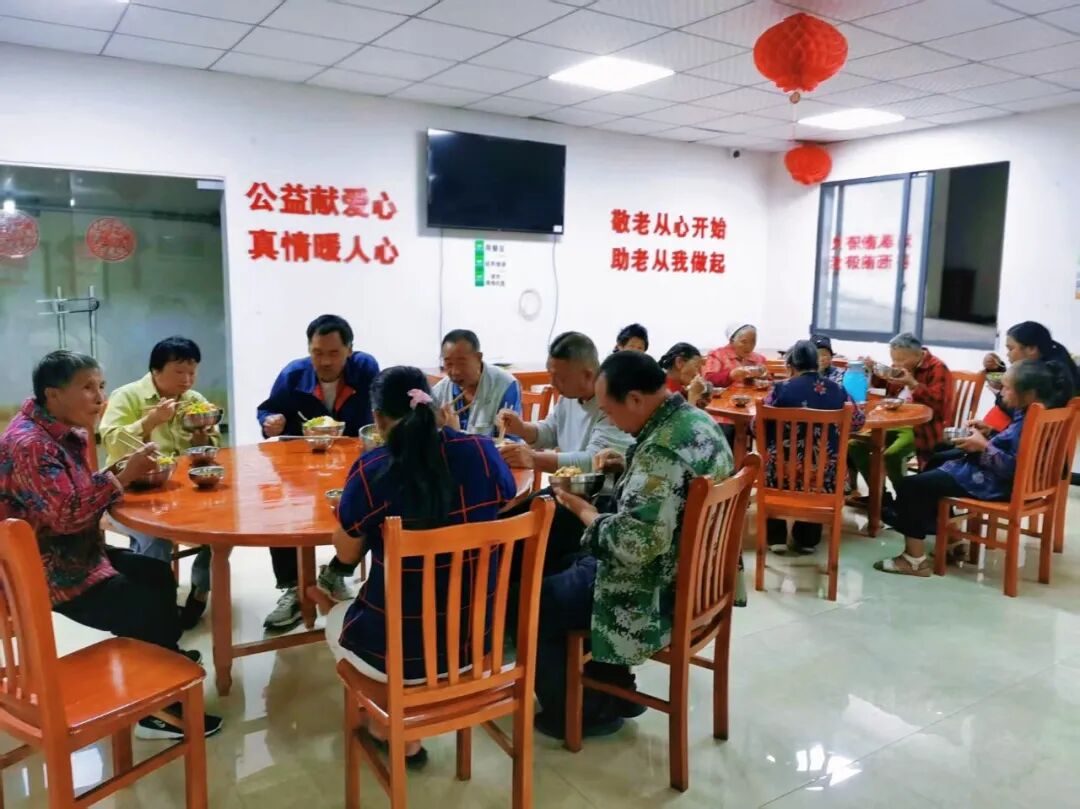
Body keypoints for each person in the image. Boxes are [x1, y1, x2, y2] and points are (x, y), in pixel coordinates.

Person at [0, 351, 222, 741]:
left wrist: (118, 470)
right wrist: (121, 477)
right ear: (53, 394)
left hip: (76, 551)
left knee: (155, 573)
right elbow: (67, 515)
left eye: (101, 386)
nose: (100, 397)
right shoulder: (31, 444)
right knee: (139, 602)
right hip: (46, 571)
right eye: (88, 388)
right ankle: (156, 712)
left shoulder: (59, 429)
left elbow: (73, 495)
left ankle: (160, 660)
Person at [531, 350, 733, 738]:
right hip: (699, 581)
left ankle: (582, 713)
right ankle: (613, 687)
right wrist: (626, 470)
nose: (609, 420)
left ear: (636, 399)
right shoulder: (694, 421)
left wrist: (582, 508)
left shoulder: (660, 449)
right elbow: (674, 492)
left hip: (657, 591)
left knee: (542, 597)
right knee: (572, 563)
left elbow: (634, 544)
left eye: (609, 411)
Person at [324, 367, 518, 767]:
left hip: (401, 660)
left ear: (378, 420)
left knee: (337, 613)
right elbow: (506, 497)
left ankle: (393, 729)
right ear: (436, 407)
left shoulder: (373, 469)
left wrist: (341, 519)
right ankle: (407, 721)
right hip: (477, 645)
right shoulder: (482, 451)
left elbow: (346, 555)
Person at [875, 360, 1074, 577]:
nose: (1001, 393)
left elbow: (1014, 467)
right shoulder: (1039, 412)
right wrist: (990, 432)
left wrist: (984, 446)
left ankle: (913, 561)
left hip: (1000, 483)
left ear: (1029, 394)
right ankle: (951, 539)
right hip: (1007, 479)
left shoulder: (1029, 421)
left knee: (912, 486)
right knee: (937, 459)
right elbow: (1018, 447)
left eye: (1007, 388)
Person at [257, 314, 380, 630]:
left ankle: (337, 572)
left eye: (334, 353)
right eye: (317, 352)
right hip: (300, 463)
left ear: (350, 350)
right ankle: (293, 589)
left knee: (373, 502)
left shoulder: (365, 369)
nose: (325, 361)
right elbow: (268, 410)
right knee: (280, 509)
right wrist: (270, 422)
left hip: (352, 462)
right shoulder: (294, 374)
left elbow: (379, 413)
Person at [99, 336, 217, 630]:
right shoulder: (128, 396)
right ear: (155, 370)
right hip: (131, 493)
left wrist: (202, 438)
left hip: (182, 493)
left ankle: (200, 591)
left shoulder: (194, 400)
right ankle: (155, 607)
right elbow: (111, 441)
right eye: (179, 372)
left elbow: (211, 448)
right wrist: (151, 421)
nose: (187, 380)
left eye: (192, 372)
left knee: (222, 530)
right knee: (154, 537)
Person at [496, 332, 632, 569]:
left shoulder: (611, 402)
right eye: (550, 374)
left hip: (596, 497)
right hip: (566, 487)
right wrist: (521, 428)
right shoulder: (569, 396)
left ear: (588, 374)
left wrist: (533, 459)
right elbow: (549, 430)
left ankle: (521, 584)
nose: (552, 382)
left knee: (521, 539)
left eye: (558, 377)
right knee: (506, 522)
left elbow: (592, 462)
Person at [759, 341, 865, 554]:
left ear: (790, 366)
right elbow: (857, 422)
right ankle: (807, 539)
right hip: (823, 475)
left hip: (782, 473)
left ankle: (776, 537)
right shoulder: (838, 390)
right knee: (822, 462)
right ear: (817, 364)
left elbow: (757, 426)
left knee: (773, 461)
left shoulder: (780, 389)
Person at [848, 333, 950, 504]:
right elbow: (884, 383)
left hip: (921, 428)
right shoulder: (902, 366)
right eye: (893, 359)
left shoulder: (937, 368)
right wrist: (872, 369)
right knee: (855, 445)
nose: (896, 363)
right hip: (892, 422)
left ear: (918, 354)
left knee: (892, 455)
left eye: (901, 359)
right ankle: (881, 498)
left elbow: (939, 405)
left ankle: (905, 501)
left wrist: (912, 384)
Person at [982, 321, 1080, 430]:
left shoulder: (1047, 376)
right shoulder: (1054, 360)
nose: (1007, 354)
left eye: (1011, 349)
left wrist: (1000, 393)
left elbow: (1016, 407)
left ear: (1032, 349)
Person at [431, 329, 521, 435]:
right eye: (449, 364)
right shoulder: (439, 391)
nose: (455, 372)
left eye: (462, 363)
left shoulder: (505, 385)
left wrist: (456, 434)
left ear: (478, 358)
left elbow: (510, 440)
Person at [703, 323, 768, 388]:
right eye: (744, 342)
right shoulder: (717, 354)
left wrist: (763, 378)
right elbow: (709, 380)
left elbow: (768, 380)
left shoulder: (759, 358)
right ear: (732, 341)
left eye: (753, 342)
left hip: (752, 394)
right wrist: (730, 375)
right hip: (726, 394)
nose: (749, 346)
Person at [657, 342, 711, 408]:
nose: (697, 373)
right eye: (696, 366)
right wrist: (693, 395)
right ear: (679, 362)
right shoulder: (664, 394)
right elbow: (686, 415)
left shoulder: (680, 389)